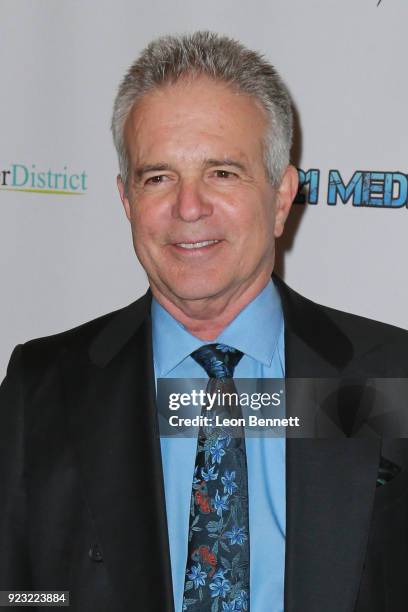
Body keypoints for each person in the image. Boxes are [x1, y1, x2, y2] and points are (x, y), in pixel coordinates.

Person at [1, 31, 407, 612]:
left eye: (222, 172)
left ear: (281, 196)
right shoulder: (43, 387)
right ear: (126, 201)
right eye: (158, 177)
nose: (189, 208)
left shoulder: (391, 377)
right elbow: (16, 594)